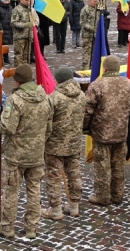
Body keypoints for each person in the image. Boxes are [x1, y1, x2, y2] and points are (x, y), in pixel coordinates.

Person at [0, 64, 53, 240]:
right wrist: (38, 142)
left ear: (18, 81)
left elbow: (8, 127)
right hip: (36, 154)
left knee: (11, 191)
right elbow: (49, 128)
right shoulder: (45, 98)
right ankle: (31, 228)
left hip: (16, 155)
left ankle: (7, 227)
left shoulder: (15, 100)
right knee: (34, 191)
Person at [83, 55, 130, 206]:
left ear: (104, 68)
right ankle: (117, 195)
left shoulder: (97, 85)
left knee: (102, 166)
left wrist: (85, 127)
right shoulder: (128, 84)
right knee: (118, 166)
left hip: (101, 134)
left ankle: (102, 196)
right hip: (121, 133)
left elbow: (87, 110)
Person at [42, 67, 86, 220]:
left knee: (53, 178)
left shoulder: (54, 98)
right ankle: (74, 206)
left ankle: (55, 210)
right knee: (74, 175)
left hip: (55, 145)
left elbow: (46, 122)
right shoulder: (81, 95)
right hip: (74, 143)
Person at [10, 0, 33, 67]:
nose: (28, 2)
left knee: (26, 56)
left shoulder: (29, 10)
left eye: (29, 0)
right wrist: (25, 25)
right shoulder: (17, 9)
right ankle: (19, 73)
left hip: (28, 36)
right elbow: (13, 22)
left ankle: (26, 74)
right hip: (20, 36)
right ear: (21, 0)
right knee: (19, 56)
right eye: (26, 0)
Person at [79, 0, 98, 70]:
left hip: (95, 34)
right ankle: (85, 66)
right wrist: (90, 27)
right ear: (89, 1)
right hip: (87, 34)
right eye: (94, 1)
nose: (96, 3)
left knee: (94, 51)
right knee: (87, 51)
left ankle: (93, 65)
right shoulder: (85, 9)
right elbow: (82, 22)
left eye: (96, 1)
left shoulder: (96, 9)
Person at [0, 0, 13, 64]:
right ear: (2, 1)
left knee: (6, 44)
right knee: (0, 45)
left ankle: (6, 59)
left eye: (8, 1)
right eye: (5, 1)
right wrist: (0, 28)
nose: (7, 2)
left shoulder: (10, 8)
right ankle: (0, 59)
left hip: (8, 29)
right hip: (1, 29)